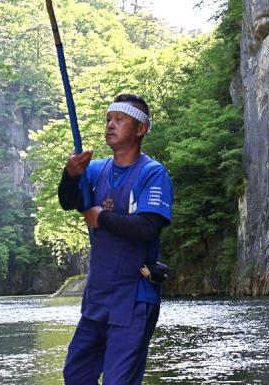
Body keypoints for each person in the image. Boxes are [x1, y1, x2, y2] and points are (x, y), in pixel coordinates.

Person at [59, 93, 173, 385]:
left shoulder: (152, 173)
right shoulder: (96, 169)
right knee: (76, 374)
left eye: (119, 119)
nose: (111, 125)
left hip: (134, 296)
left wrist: (102, 218)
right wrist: (70, 175)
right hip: (98, 295)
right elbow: (68, 201)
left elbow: (149, 227)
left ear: (140, 129)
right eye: (109, 119)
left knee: (118, 381)